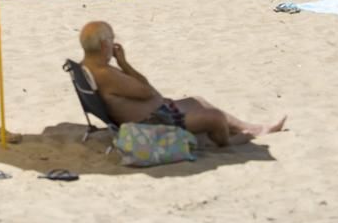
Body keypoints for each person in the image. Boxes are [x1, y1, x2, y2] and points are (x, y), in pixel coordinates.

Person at [79, 21, 286, 147]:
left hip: (157, 112)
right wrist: (125, 63)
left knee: (198, 100)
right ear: (105, 44)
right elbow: (146, 90)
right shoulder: (105, 72)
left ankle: (255, 128)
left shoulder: (89, 67)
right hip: (154, 122)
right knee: (214, 117)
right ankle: (227, 142)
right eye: (112, 39)